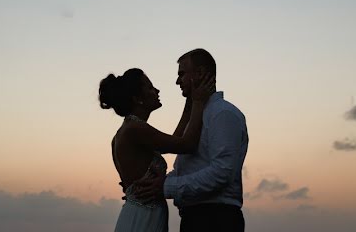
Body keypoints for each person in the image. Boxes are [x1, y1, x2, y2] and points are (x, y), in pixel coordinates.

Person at [130, 49, 249, 232]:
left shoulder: (223, 114)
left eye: (182, 74)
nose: (177, 81)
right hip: (196, 218)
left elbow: (222, 172)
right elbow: (185, 167)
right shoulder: (197, 117)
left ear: (200, 73)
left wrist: (165, 186)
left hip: (216, 219)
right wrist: (154, 184)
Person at [99, 67, 215, 232]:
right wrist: (198, 102)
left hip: (143, 214)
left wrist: (189, 103)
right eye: (150, 87)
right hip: (144, 217)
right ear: (138, 98)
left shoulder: (129, 130)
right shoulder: (135, 129)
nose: (157, 90)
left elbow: (175, 140)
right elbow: (186, 144)